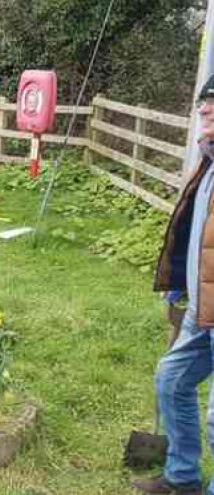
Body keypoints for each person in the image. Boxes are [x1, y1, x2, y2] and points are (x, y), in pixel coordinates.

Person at [133, 75, 214, 495]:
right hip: (203, 310)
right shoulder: (207, 160)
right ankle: (182, 479)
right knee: (172, 380)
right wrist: (180, 285)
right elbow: (196, 233)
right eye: (204, 102)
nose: (203, 110)